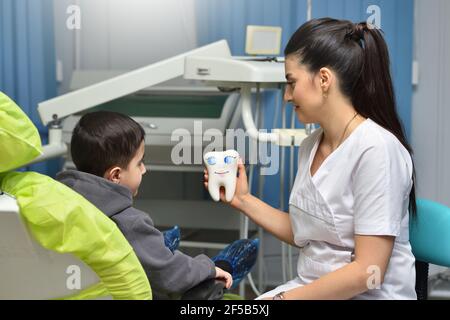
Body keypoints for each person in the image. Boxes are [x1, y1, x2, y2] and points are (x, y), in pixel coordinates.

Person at [204, 18, 417, 300]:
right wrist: (242, 199)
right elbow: (307, 231)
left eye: (291, 83)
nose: (287, 97)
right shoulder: (311, 145)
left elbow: (369, 270)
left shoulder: (376, 150)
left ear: (324, 79)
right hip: (308, 290)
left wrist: (282, 300)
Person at [57, 111, 258, 299]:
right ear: (116, 175)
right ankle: (226, 263)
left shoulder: (61, 202)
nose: (144, 169)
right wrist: (209, 268)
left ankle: (162, 245)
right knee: (221, 265)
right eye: (139, 163)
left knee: (157, 245)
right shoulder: (128, 223)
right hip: (139, 287)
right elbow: (171, 274)